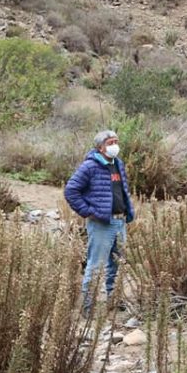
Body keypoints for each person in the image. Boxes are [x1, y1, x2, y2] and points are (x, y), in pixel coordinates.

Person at [64, 130, 136, 309]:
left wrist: (128, 212)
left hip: (120, 221)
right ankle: (87, 305)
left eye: (116, 142)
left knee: (117, 263)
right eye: (110, 143)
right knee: (95, 265)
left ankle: (113, 299)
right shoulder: (90, 166)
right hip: (101, 223)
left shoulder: (118, 164)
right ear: (100, 147)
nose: (115, 146)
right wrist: (87, 211)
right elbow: (71, 191)